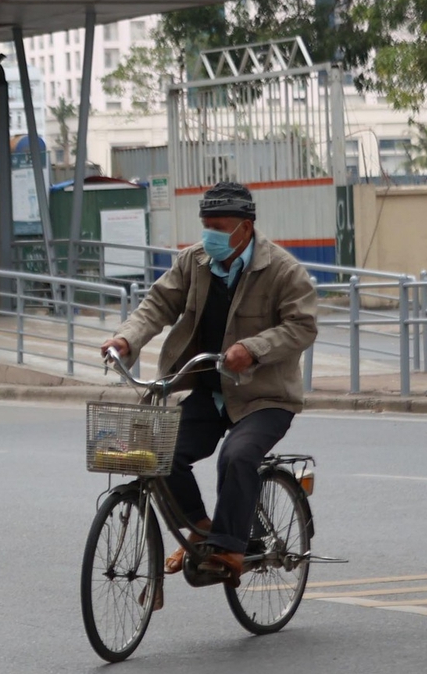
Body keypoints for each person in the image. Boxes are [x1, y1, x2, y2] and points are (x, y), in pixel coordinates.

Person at [101, 181, 318, 589]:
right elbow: (157, 304)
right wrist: (125, 339)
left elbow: (302, 327)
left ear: (245, 228)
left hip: (264, 396)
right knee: (156, 451)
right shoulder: (194, 262)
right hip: (210, 390)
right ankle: (202, 530)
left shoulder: (284, 271)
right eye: (206, 225)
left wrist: (253, 349)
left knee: (236, 456)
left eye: (218, 226)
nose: (209, 236)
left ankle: (231, 549)